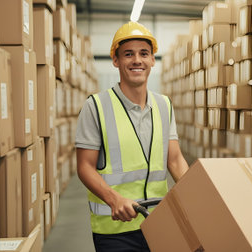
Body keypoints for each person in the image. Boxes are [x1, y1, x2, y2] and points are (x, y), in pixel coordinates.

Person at [75, 21, 189, 252]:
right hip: (115, 229)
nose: (137, 60)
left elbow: (175, 160)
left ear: (152, 60)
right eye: (128, 54)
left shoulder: (164, 104)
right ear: (116, 61)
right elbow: (84, 167)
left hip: (160, 221)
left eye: (143, 54)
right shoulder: (96, 106)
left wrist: (198, 195)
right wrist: (114, 199)